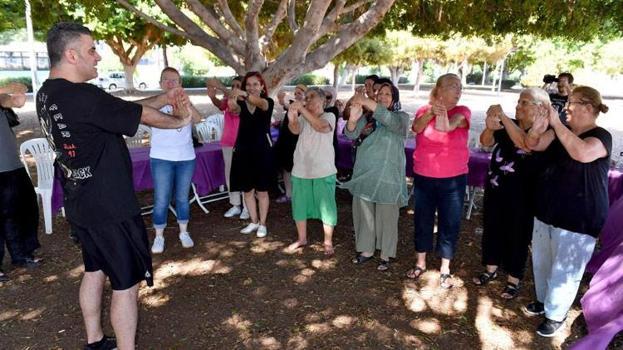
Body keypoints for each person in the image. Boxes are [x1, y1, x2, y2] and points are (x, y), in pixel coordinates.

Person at [37, 22, 191, 350]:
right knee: (126, 283)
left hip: (81, 203)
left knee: (94, 269)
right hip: (111, 207)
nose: (98, 56)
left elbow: (123, 111)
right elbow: (145, 118)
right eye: (92, 49)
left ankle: (94, 340)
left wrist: (165, 97)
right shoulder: (83, 96)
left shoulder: (48, 93)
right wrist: (181, 120)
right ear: (71, 54)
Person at [523, 86, 611, 337]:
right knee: (542, 261)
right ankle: (543, 301)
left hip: (579, 218)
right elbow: (533, 145)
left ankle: (555, 314)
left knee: (565, 270)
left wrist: (556, 124)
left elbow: (581, 153)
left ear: (588, 107)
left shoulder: (601, 136)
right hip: (547, 211)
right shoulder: (561, 133)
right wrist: (537, 129)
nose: (566, 107)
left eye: (572, 102)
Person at [473, 88, 551, 299]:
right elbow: (486, 141)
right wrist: (490, 128)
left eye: (524, 102)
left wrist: (504, 118)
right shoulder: (510, 126)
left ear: (540, 108)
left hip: (523, 197)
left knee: (518, 235)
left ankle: (513, 279)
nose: (518, 106)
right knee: (492, 228)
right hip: (497, 190)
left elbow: (525, 143)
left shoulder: (545, 132)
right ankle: (490, 268)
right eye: (518, 101)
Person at [406, 73, 470, 289]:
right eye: (453, 86)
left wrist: (440, 114)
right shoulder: (424, 110)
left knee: (449, 222)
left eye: (460, 87)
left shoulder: (463, 112)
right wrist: (431, 111)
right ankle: (420, 262)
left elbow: (448, 126)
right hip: (425, 175)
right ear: (439, 89)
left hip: (453, 179)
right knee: (422, 219)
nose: (458, 90)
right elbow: (416, 128)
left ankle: (445, 268)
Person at [342, 83, 409, 271]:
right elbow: (350, 134)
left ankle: (386, 254)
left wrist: (365, 101)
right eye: (380, 94)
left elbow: (388, 119)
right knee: (364, 214)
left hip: (388, 177)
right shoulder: (368, 118)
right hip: (365, 175)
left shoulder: (401, 118)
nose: (383, 97)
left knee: (387, 216)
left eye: (388, 94)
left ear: (394, 99)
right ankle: (366, 250)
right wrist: (353, 120)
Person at [149, 67, 203, 254]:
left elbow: (198, 119)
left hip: (186, 157)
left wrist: (187, 105)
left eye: (174, 80)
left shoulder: (185, 101)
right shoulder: (155, 104)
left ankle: (183, 232)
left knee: (182, 197)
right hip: (161, 157)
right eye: (166, 80)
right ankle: (159, 236)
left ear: (180, 83)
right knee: (161, 199)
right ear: (160, 83)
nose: (170, 83)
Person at [285, 87, 337, 255]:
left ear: (323, 100)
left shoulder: (330, 116)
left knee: (327, 207)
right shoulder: (304, 117)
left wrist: (300, 108)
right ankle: (302, 238)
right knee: (299, 205)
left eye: (312, 97)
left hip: (323, 170)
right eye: (306, 97)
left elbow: (321, 126)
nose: (307, 100)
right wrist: (292, 117)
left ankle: (327, 241)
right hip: (301, 169)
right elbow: (294, 130)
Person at [0, 83, 41, 283]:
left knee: (23, 212)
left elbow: (19, 98)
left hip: (13, 168)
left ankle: (22, 255)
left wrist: (15, 90)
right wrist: (8, 88)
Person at [228, 72, 275, 238]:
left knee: (262, 191)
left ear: (262, 86)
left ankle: (263, 223)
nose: (252, 87)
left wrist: (242, 94)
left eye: (255, 84)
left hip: (262, 151)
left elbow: (258, 102)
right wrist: (232, 99)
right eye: (248, 84)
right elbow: (234, 109)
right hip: (243, 151)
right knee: (247, 190)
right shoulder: (243, 103)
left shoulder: (267, 102)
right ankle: (253, 221)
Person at [206, 76, 250, 220]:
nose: (234, 88)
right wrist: (212, 96)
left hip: (243, 143)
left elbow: (235, 109)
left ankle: (247, 206)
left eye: (238, 85)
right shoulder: (229, 99)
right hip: (227, 142)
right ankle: (236, 205)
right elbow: (220, 105)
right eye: (233, 86)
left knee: (244, 175)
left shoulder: (246, 101)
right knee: (230, 175)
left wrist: (220, 86)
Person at [273, 84, 306, 203]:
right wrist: (281, 100)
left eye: (300, 93)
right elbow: (285, 105)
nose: (297, 95)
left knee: (297, 168)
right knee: (286, 168)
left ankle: (299, 194)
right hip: (285, 141)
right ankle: (289, 194)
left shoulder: (307, 108)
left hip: (297, 143)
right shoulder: (292, 105)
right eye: (296, 93)